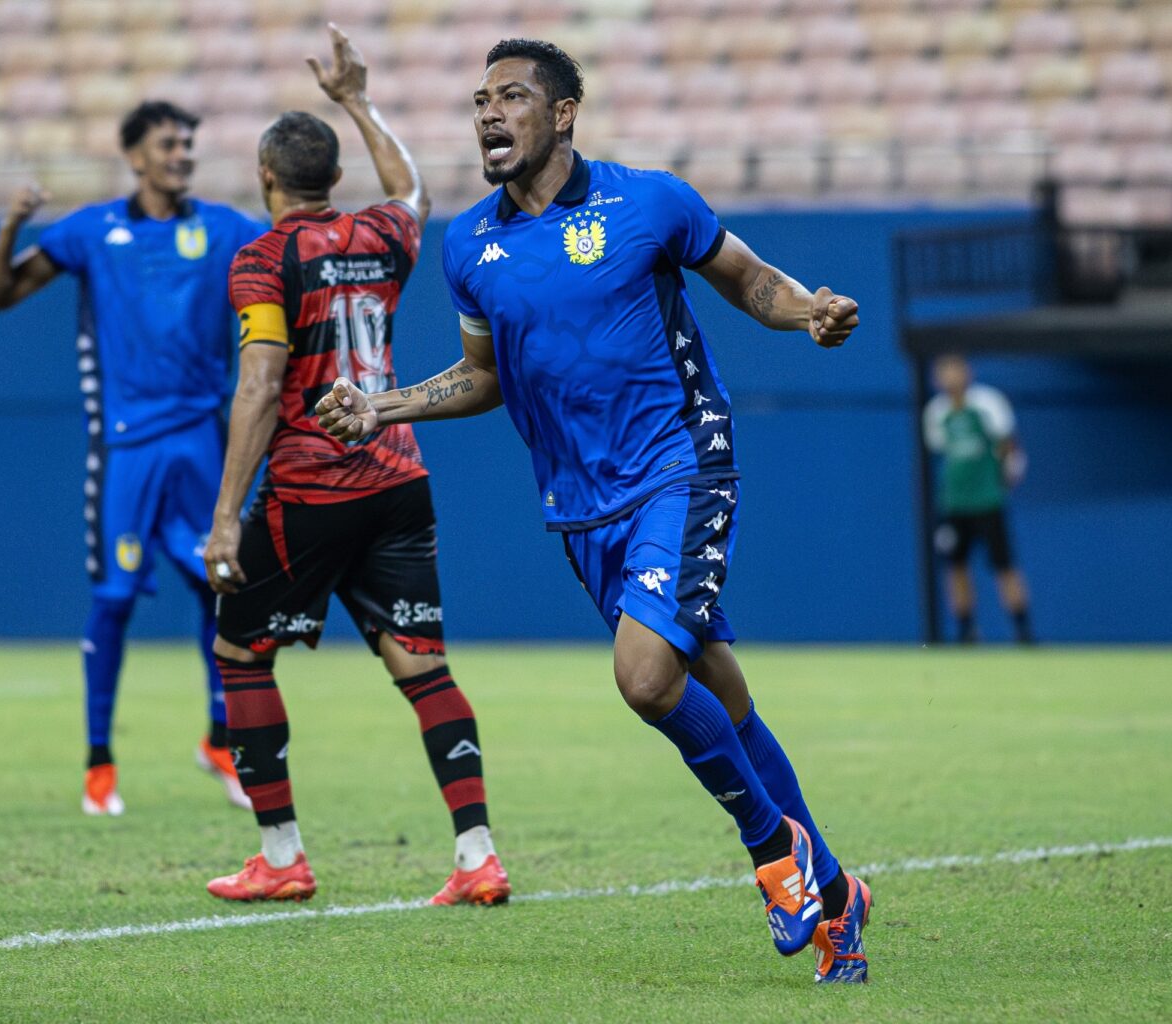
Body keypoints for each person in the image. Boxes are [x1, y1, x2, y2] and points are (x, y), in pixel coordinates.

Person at [316, 39, 870, 983]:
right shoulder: (472, 243)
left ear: (564, 113)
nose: (489, 113)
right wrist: (381, 405)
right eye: (480, 99)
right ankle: (839, 898)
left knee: (647, 678)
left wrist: (807, 310)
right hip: (581, 504)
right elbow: (482, 375)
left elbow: (749, 280)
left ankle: (774, 854)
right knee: (721, 695)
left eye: (514, 97)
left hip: (679, 462)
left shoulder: (648, 200)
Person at [200, 27, 509, 908]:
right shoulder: (381, 234)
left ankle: (282, 855)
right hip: (399, 478)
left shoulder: (264, 260)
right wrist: (359, 100)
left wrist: (227, 517)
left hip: (310, 489)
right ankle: (477, 854)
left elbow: (260, 386)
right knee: (422, 664)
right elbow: (411, 186)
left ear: (268, 178)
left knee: (239, 651)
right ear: (335, 178)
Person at [0, 101, 265, 816]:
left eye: (189, 143)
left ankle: (220, 741)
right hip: (128, 447)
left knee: (220, 589)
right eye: (170, 143)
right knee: (112, 600)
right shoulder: (90, 232)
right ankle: (99, 760)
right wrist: (12, 225)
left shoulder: (226, 229)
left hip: (202, 440)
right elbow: (0, 296)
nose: (183, 154)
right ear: (135, 156)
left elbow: (284, 269)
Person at [923, 355, 1036, 645]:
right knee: (956, 566)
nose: (950, 377)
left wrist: (1008, 474)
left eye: (955, 369)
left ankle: (1023, 632)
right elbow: (942, 452)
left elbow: (1008, 447)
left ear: (967, 372)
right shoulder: (936, 413)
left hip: (988, 502)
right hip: (954, 505)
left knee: (1004, 565)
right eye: (944, 371)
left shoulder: (988, 403)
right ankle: (966, 631)